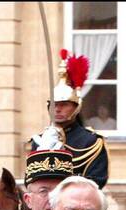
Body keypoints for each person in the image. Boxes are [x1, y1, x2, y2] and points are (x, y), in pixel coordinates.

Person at [28, 49, 109, 189]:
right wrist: (43, 153)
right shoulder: (40, 141)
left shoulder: (91, 142)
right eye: (54, 105)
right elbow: (29, 181)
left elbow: (97, 181)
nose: (58, 109)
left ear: (77, 107)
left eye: (64, 105)